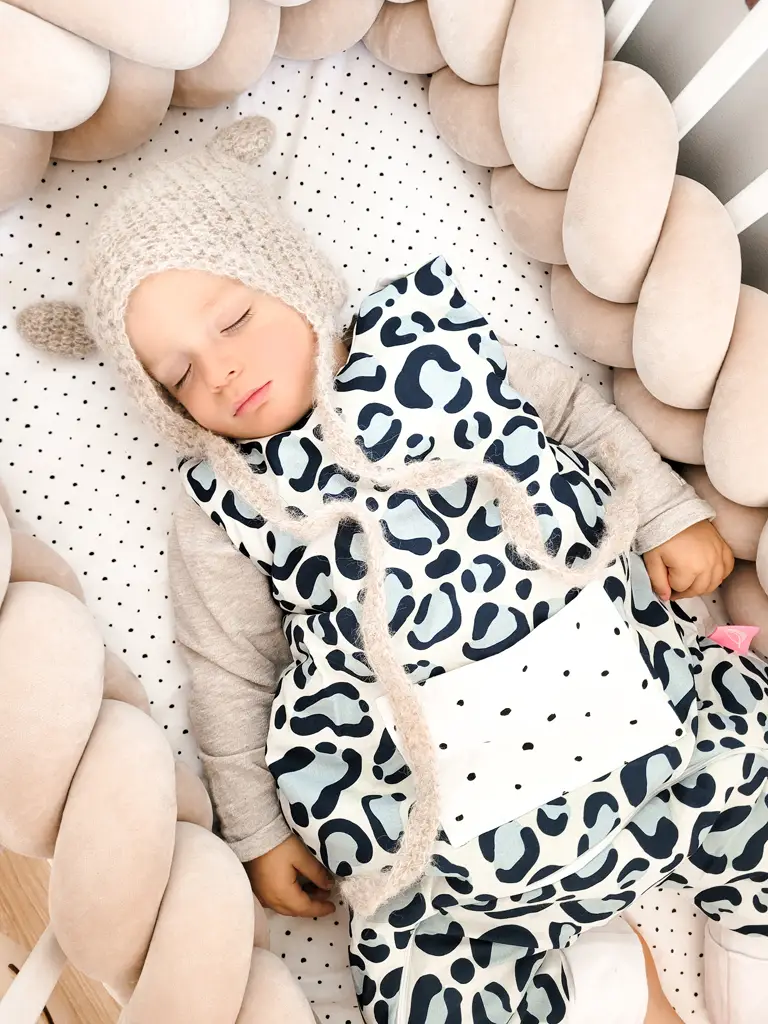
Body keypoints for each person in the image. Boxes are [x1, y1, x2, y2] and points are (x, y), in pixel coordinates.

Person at [19, 117, 768, 1024]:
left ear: (290, 276)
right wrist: (254, 828)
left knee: (749, 773)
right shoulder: (228, 499)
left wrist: (664, 510)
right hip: (448, 832)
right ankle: (601, 984)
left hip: (651, 721)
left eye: (235, 319)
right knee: (427, 974)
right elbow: (228, 668)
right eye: (177, 376)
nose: (220, 371)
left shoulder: (434, 342)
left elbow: (573, 410)